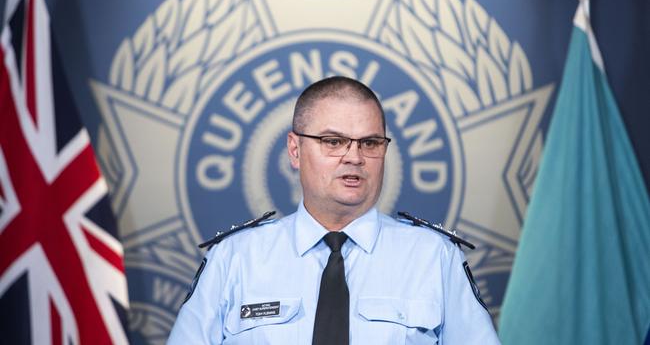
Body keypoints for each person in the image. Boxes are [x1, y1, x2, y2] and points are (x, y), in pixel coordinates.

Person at [167, 76, 500, 344]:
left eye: (370, 143)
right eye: (333, 142)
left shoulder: (435, 258)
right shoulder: (234, 259)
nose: (354, 157)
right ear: (295, 150)